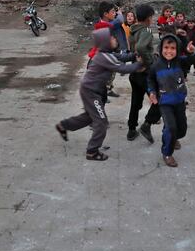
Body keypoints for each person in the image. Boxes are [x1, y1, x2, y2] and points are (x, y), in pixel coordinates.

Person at [55, 28, 142, 161]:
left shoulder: (106, 54)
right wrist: (140, 64)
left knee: (90, 117)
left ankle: (64, 125)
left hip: (92, 90)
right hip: (91, 92)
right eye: (112, 38)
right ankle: (92, 151)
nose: (115, 39)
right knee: (101, 122)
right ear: (105, 42)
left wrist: (134, 55)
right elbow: (122, 68)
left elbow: (122, 57)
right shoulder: (104, 57)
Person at [147, 34, 195, 167]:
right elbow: (150, 79)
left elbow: (192, 60)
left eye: (173, 48)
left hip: (179, 101)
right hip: (165, 103)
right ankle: (167, 153)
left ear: (178, 49)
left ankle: (173, 138)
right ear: (161, 48)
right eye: (166, 47)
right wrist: (152, 92)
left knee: (182, 129)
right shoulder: (156, 66)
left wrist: (192, 52)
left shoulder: (180, 61)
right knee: (171, 127)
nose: (169, 51)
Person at [128, 4, 161, 143]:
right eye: (152, 17)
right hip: (145, 74)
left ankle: (131, 130)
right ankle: (147, 125)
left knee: (135, 102)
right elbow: (141, 47)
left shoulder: (133, 30)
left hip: (134, 72)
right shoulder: (146, 31)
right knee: (159, 100)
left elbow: (134, 49)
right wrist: (150, 61)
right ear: (148, 18)